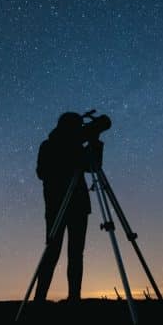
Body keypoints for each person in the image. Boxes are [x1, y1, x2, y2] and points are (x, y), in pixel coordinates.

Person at [34, 112, 93, 302]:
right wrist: (69, 157)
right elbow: (42, 172)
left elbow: (93, 166)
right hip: (57, 206)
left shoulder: (77, 146)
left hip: (79, 206)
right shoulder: (49, 145)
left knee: (76, 254)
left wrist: (95, 142)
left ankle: (74, 297)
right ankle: (39, 298)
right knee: (52, 251)